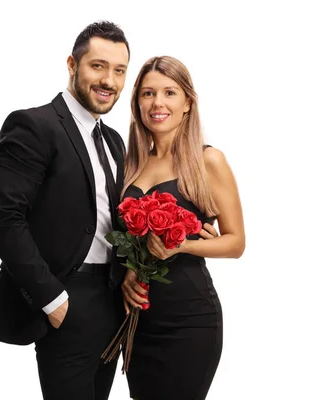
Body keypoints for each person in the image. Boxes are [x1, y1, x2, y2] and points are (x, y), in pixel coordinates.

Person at [0, 21, 131, 400]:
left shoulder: (113, 140)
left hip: (112, 303)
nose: (109, 80)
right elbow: (3, 219)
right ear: (72, 65)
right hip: (65, 299)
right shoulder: (34, 125)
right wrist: (53, 299)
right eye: (98, 66)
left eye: (119, 70)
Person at [120, 56, 246, 400]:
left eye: (169, 92)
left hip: (190, 320)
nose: (157, 103)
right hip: (139, 322)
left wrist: (185, 245)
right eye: (147, 93)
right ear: (137, 103)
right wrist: (129, 275)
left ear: (188, 102)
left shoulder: (208, 161)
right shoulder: (131, 163)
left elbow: (236, 243)